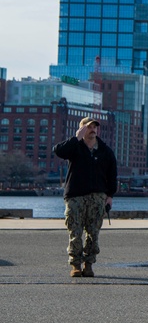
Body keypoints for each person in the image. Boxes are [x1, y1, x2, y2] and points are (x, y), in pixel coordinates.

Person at [53, 117, 118, 278]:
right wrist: (76, 137)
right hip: (75, 196)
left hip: (97, 197)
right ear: (82, 129)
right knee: (75, 231)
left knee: (93, 233)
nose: (93, 130)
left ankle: (88, 264)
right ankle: (75, 265)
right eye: (89, 127)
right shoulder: (74, 147)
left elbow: (112, 175)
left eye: (95, 127)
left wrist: (110, 196)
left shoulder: (105, 151)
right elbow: (58, 151)